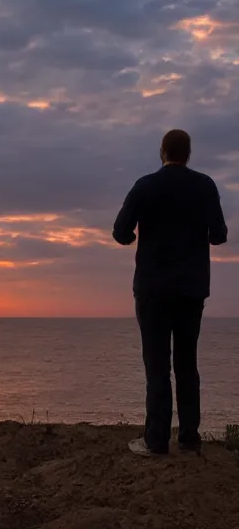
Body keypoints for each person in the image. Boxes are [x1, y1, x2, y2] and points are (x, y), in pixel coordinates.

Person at [113, 129, 227, 456]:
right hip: (191, 289)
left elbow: (121, 232)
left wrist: (136, 239)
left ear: (162, 151)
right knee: (187, 363)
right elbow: (219, 235)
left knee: (157, 364)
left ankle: (156, 439)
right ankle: (190, 438)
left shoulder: (146, 185)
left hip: (152, 289)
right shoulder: (204, 186)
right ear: (188, 153)